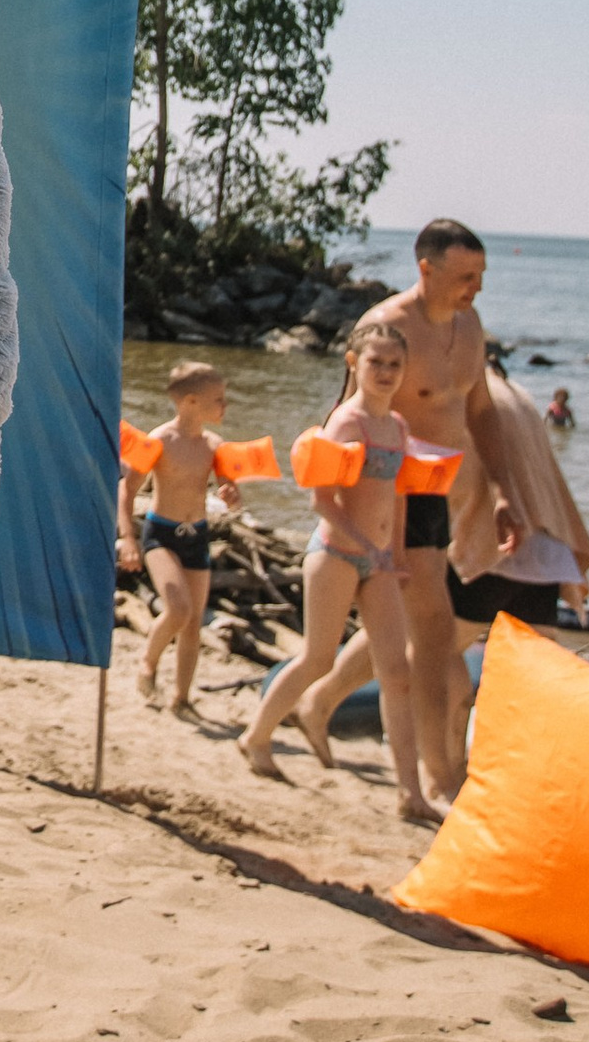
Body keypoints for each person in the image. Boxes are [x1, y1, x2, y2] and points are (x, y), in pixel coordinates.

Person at [299, 221, 520, 800]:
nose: (476, 287)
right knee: (436, 630)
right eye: (465, 276)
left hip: (448, 496)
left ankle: (318, 704)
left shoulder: (470, 325)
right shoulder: (388, 328)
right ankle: (439, 776)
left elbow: (481, 412)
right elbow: (346, 412)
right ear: (427, 268)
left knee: (395, 629)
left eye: (481, 276)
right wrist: (337, 503)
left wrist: (501, 490)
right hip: (396, 498)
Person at [240, 316, 442, 824]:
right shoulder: (345, 423)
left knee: (397, 674)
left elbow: (395, 499)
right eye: (376, 362)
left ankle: (410, 793)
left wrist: (394, 555)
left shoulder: (396, 426)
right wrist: (365, 549)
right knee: (316, 660)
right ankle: (255, 737)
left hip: (378, 564)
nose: (386, 372)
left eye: (395, 364)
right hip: (334, 555)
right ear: (354, 362)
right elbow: (323, 504)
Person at [117, 363, 275, 717]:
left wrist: (233, 497)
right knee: (178, 608)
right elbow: (126, 491)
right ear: (190, 402)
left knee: (192, 625)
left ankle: (182, 698)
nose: (225, 406)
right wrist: (128, 537)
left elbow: (230, 492)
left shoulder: (213, 445)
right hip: (160, 534)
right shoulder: (160, 440)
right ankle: (148, 659)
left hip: (197, 536)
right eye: (218, 399)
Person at [448, 370, 589, 630]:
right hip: (549, 553)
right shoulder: (519, 396)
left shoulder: (460, 391)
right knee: (533, 655)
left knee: (433, 645)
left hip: (492, 553)